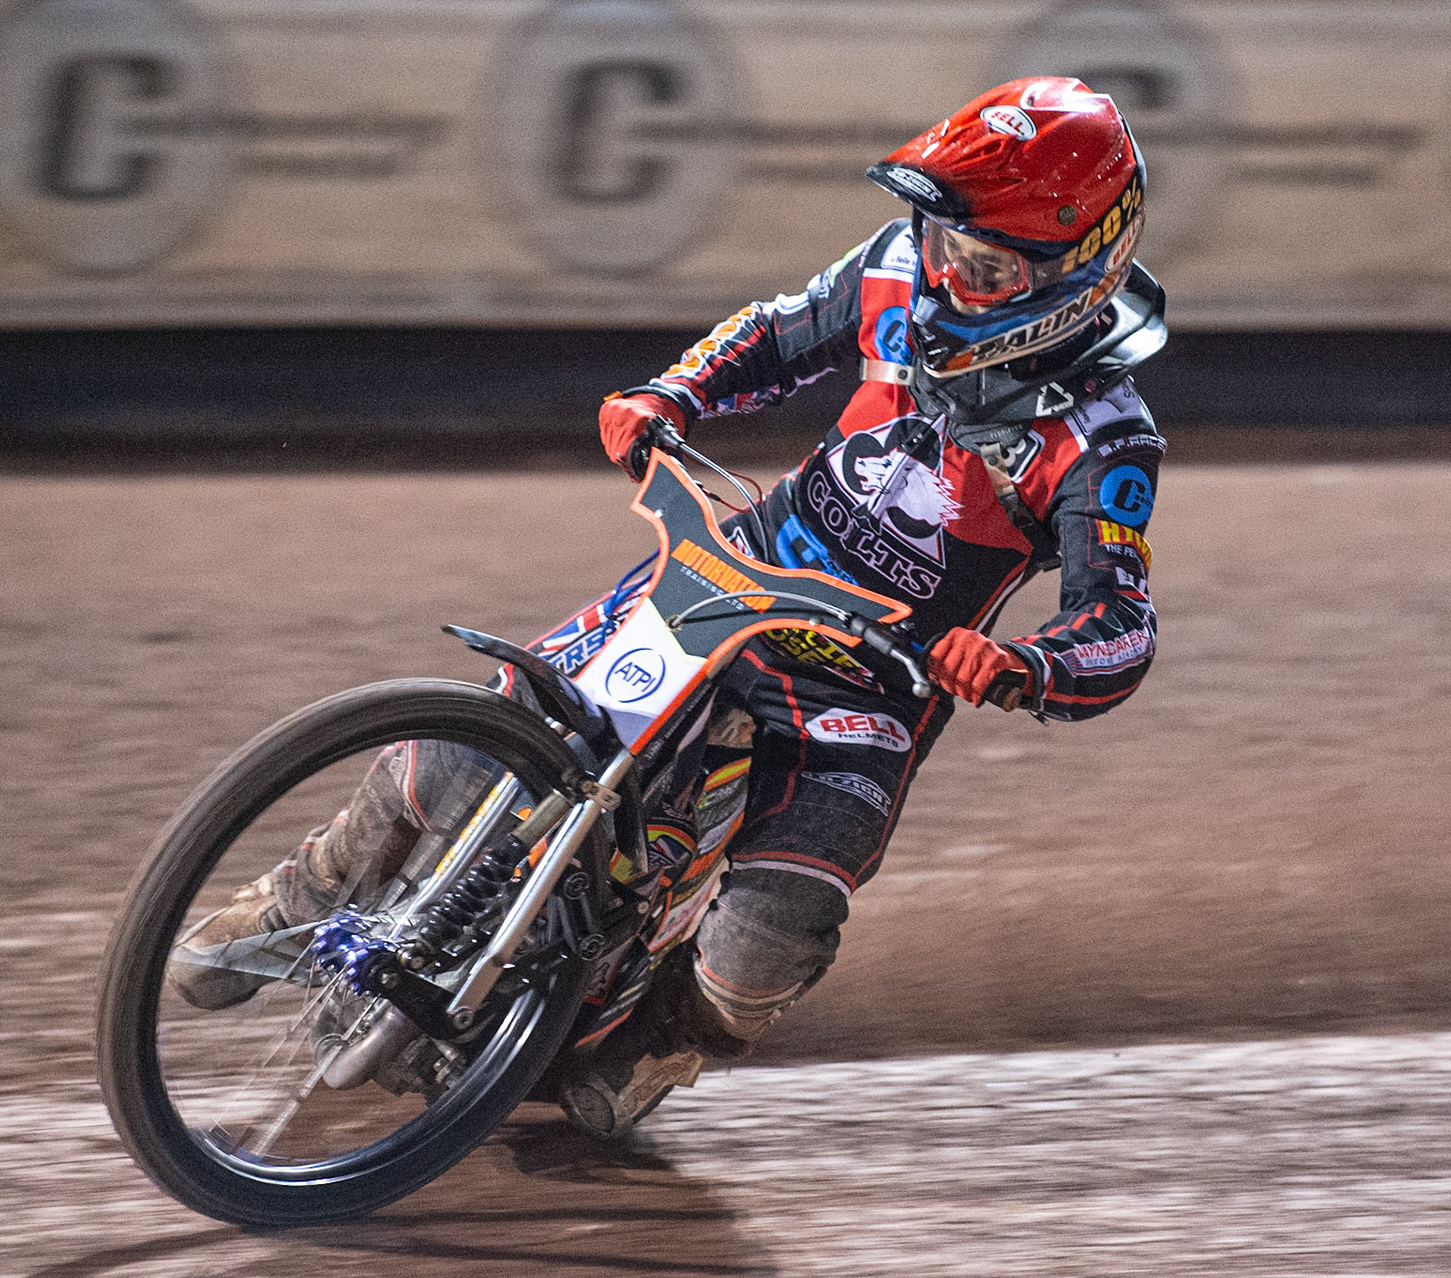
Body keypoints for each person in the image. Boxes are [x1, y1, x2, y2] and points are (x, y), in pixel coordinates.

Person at [169, 76, 1167, 1139]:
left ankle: (665, 1042)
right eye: (937, 238)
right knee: (463, 752)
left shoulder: (1105, 441)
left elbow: (1123, 625)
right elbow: (778, 334)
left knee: (775, 930)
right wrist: (669, 394)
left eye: (979, 262)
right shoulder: (894, 270)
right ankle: (303, 894)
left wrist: (1025, 667)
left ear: (1072, 273)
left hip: (866, 685)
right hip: (729, 578)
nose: (940, 272)